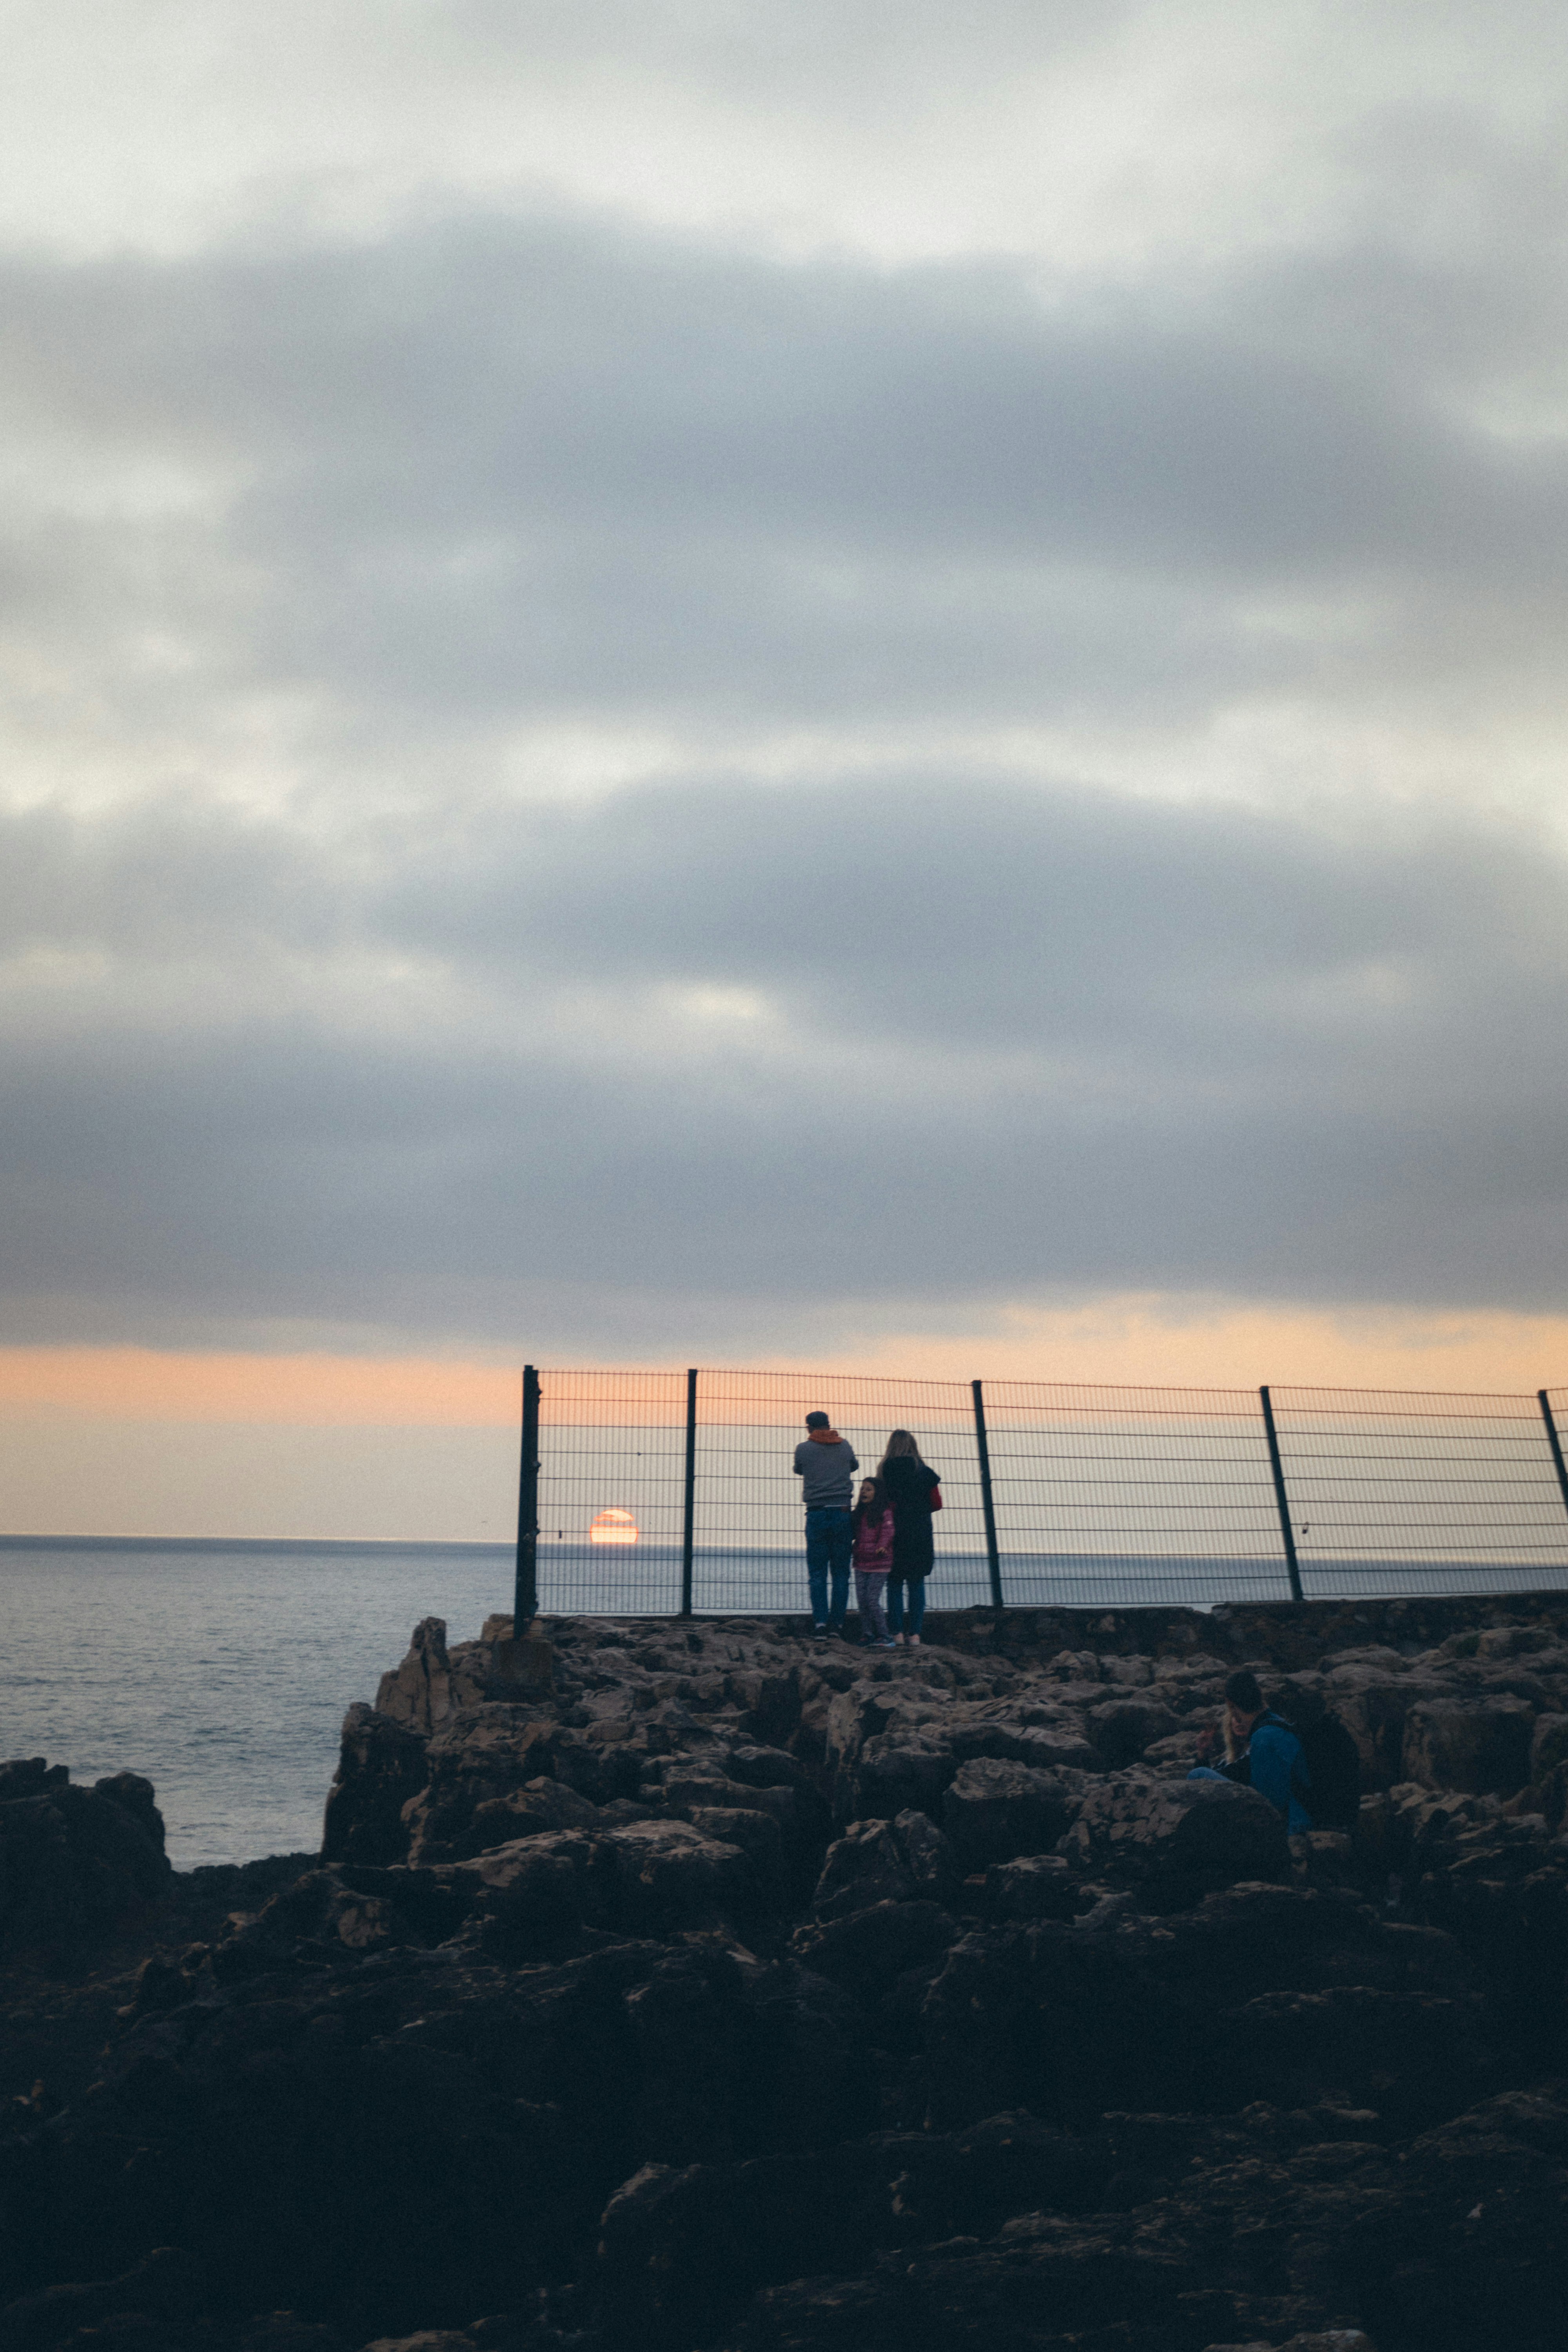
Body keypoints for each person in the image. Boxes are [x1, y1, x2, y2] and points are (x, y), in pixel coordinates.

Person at [1189, 1669, 1312, 1832]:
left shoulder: (1263, 1737)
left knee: (1197, 1774)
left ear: (1230, 1704)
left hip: (1291, 1823)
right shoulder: (1279, 1724)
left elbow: (1270, 1801)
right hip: (1304, 1811)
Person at [793, 1410, 858, 1637]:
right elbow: (854, 1466)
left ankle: (820, 1624)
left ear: (809, 1427)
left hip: (817, 1514)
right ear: (829, 1425)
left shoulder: (803, 1449)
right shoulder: (845, 1445)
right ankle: (837, 1626)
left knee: (817, 1573)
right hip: (842, 1513)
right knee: (841, 1573)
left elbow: (799, 1469)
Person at [878, 1428, 941, 1646]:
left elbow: (881, 1502)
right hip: (920, 1533)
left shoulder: (885, 1470)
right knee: (916, 1584)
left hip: (893, 1533)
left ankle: (896, 1633)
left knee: (894, 1584)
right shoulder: (924, 1472)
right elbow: (937, 1504)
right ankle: (914, 1635)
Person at [851, 1476, 896, 1648]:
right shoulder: (860, 1514)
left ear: (878, 1493)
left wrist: (882, 1546)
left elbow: (888, 1531)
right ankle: (867, 1633)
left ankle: (885, 1635)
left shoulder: (885, 1512)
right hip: (861, 1562)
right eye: (863, 1489)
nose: (864, 1492)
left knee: (872, 1600)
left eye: (869, 1489)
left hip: (879, 1563)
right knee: (862, 1601)